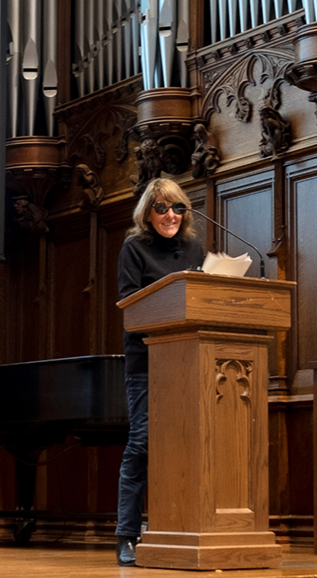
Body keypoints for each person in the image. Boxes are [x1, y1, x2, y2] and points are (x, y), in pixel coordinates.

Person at [115, 178, 204, 566]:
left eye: (177, 208)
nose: (171, 216)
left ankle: (178, 528)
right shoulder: (134, 248)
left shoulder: (195, 249)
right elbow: (129, 306)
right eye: (162, 209)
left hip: (190, 362)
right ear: (147, 214)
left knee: (186, 445)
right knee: (142, 444)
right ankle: (127, 535)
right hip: (147, 361)